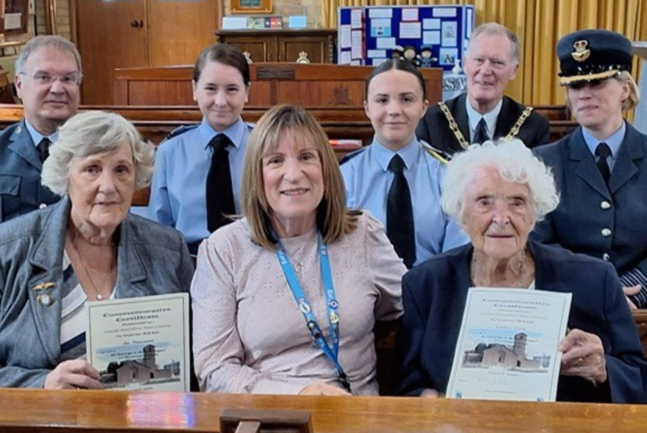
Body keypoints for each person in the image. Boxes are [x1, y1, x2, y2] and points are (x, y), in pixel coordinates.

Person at [397, 139, 647, 403]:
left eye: (517, 202)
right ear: (461, 215)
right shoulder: (426, 284)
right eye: (484, 202)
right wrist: (432, 400)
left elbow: (638, 380)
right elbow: (407, 382)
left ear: (534, 215)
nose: (502, 218)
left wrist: (604, 369)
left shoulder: (594, 280)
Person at [191, 104, 405, 395]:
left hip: (355, 415)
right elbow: (213, 370)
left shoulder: (362, 234)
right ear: (257, 174)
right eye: (276, 161)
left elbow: (413, 309)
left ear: (325, 168)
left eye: (306, 157)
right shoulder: (224, 250)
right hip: (268, 418)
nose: (293, 174)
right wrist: (300, 396)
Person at [0, 111, 194, 389]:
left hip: (145, 422)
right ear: (66, 176)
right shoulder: (7, 249)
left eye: (121, 170)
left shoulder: (167, 249)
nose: (108, 186)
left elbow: (194, 356)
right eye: (92, 169)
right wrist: (42, 384)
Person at [532, 30, 647, 308]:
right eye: (575, 85)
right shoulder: (542, 162)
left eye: (596, 83)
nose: (583, 95)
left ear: (625, 88)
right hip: (571, 306)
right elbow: (538, 244)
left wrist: (633, 289)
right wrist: (598, 289)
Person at [340, 58, 468, 269]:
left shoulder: (449, 175)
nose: (394, 110)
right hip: (364, 294)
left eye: (407, 99)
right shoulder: (344, 176)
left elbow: (456, 259)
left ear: (424, 107)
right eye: (382, 100)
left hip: (432, 294)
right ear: (367, 108)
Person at [148, 43, 253, 255]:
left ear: (247, 92)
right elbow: (158, 229)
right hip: (189, 262)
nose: (221, 101)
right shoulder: (171, 152)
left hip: (253, 258)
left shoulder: (265, 145)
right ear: (195, 89)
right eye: (210, 88)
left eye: (232, 89)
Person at [416, 23, 550, 158]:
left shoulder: (533, 126)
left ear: (513, 70)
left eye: (497, 62)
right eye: (479, 60)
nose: (485, 71)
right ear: (465, 63)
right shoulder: (432, 121)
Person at [0, 35, 82, 223]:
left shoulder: (96, 149)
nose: (58, 89)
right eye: (44, 77)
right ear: (19, 85)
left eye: (68, 78)